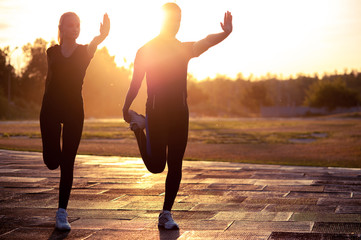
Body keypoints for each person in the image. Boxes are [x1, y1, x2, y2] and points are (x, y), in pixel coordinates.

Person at [122, 3, 232, 230]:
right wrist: (126, 106)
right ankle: (140, 129)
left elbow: (206, 41)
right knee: (156, 166)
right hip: (156, 112)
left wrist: (225, 33)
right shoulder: (146, 50)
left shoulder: (183, 48)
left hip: (180, 114)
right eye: (172, 19)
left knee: (175, 164)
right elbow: (135, 82)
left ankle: (166, 213)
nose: (176, 24)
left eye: (179, 20)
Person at [40, 12, 110, 231]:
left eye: (77, 25)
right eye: (70, 26)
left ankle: (62, 212)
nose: (75, 29)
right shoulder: (51, 51)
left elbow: (94, 44)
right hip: (50, 109)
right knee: (52, 162)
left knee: (68, 162)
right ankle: (56, 155)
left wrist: (103, 35)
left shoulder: (84, 52)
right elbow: (49, 80)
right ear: (61, 27)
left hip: (73, 111)